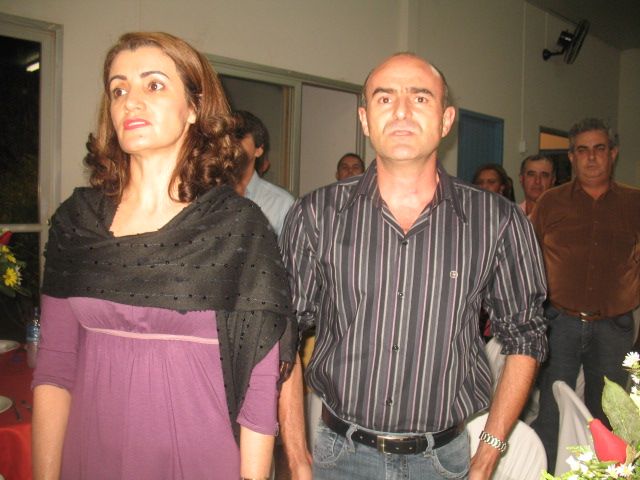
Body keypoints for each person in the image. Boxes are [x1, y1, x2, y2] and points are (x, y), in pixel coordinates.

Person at [32, 32, 296, 480]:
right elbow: (55, 368)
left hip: (200, 461)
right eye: (119, 89)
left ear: (193, 107)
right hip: (89, 458)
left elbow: (258, 387)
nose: (131, 101)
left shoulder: (237, 228)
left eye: (153, 85)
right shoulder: (77, 223)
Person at [279, 52, 547, 480]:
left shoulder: (498, 221)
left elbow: (526, 337)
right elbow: (281, 335)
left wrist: (489, 454)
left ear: (446, 120)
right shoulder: (316, 214)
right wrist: (295, 457)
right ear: (365, 120)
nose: (401, 111)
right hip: (340, 456)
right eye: (385, 99)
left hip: (444, 461)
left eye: (420, 98)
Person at [531, 118, 640, 471]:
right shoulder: (550, 202)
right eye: (582, 150)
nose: (591, 158)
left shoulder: (634, 203)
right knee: (552, 411)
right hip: (558, 323)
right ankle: (546, 473)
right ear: (571, 157)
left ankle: (601, 475)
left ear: (613, 153)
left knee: (608, 416)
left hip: (614, 327)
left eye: (599, 149)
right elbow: (527, 258)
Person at [233, 110, 295, 236]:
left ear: (258, 150)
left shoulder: (281, 203)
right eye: (225, 137)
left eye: (239, 136)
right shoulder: (204, 196)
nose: (230, 143)